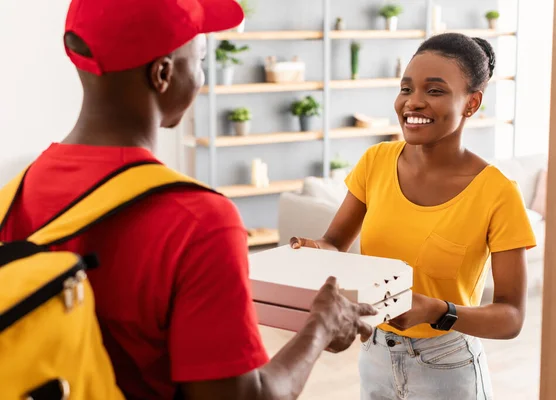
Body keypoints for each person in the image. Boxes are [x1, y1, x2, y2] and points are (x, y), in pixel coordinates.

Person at [0, 0, 378, 399]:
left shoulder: (17, 192)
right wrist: (321, 326)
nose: (200, 76)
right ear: (162, 74)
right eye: (199, 60)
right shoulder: (199, 220)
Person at [290, 32, 537, 400]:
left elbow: (511, 317)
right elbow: (334, 242)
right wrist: (316, 250)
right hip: (374, 353)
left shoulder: (498, 192)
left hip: (448, 366)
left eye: (434, 91)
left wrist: (436, 311)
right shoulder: (376, 162)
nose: (413, 102)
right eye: (406, 89)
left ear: (472, 104)